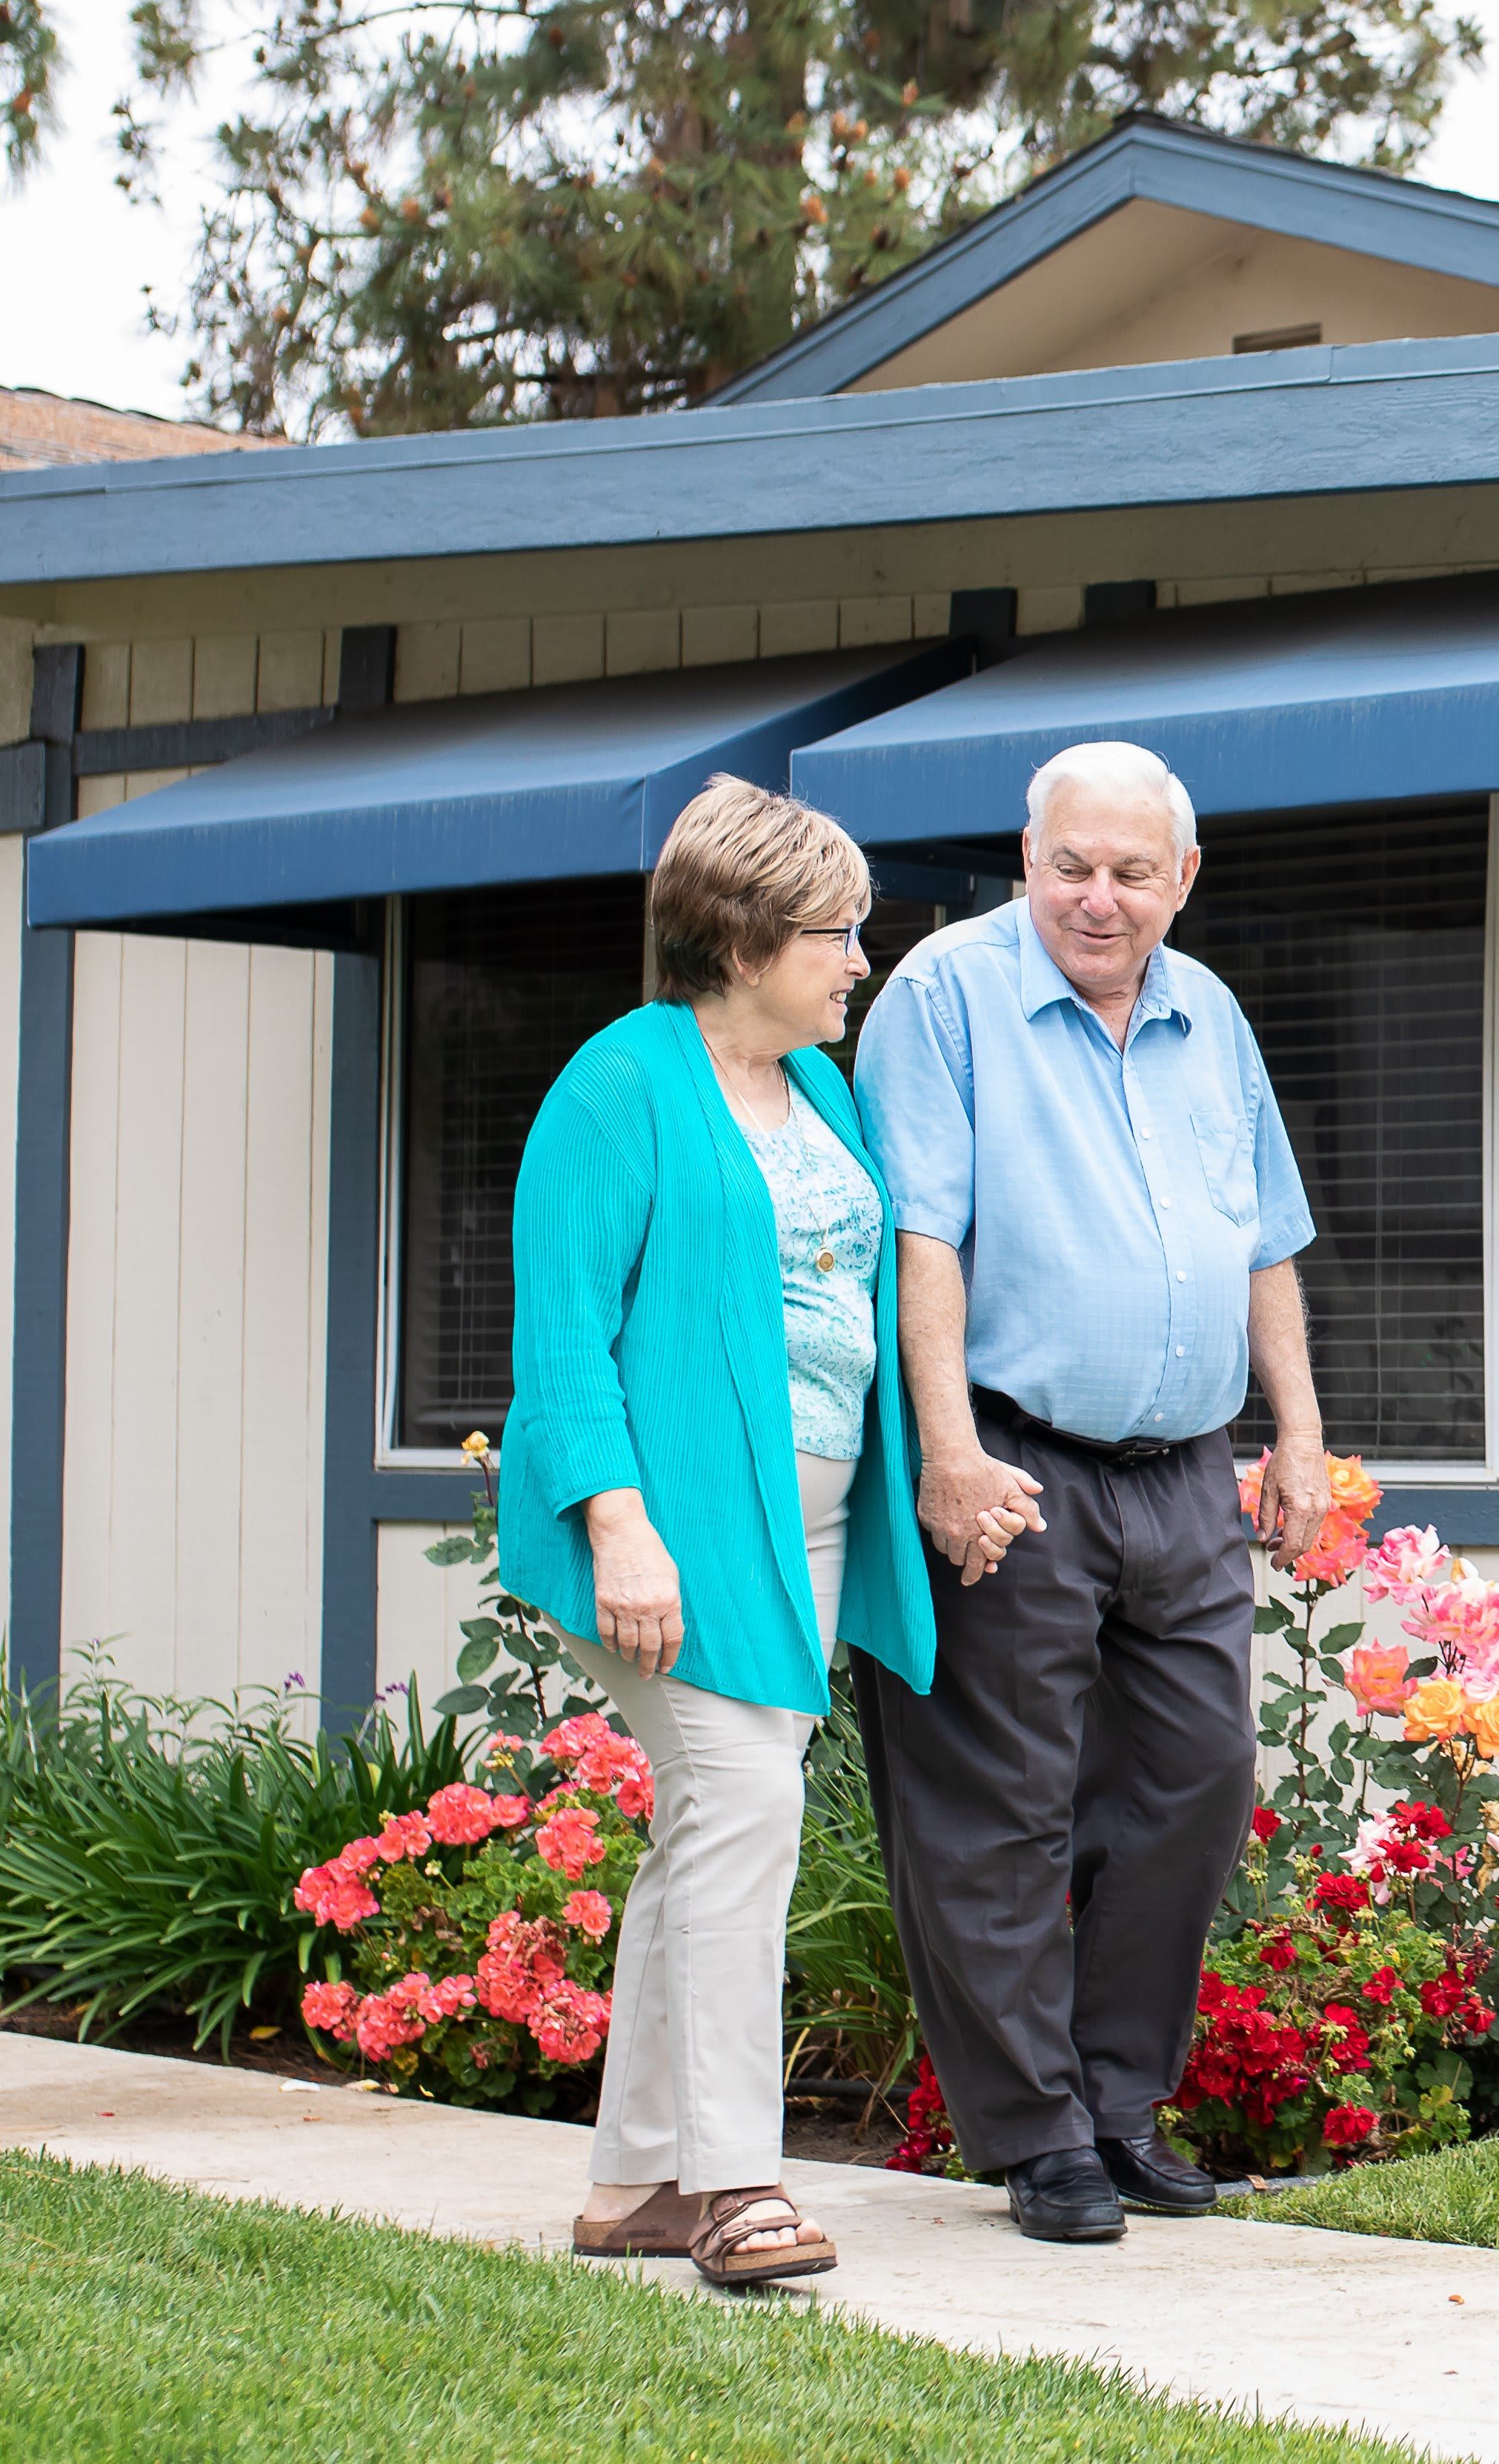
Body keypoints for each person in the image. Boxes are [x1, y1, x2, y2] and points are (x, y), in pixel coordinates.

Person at [850, 739, 1337, 2245]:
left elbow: (1262, 1237)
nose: (1101, 898)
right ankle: (1037, 2133)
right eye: (1074, 865)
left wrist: (1299, 1432)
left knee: (1193, 1785)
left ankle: (1121, 2107)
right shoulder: (944, 997)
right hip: (1014, 1452)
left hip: (1188, 1467)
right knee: (993, 1807)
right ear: (1027, 853)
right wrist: (943, 1450)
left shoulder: (1213, 1010)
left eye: (1134, 871)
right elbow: (917, 1240)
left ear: (1184, 877)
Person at [499, 776, 937, 2287]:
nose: (858, 960)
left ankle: (634, 2186)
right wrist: (621, 1530)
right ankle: (740, 2183)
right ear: (747, 941)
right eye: (837, 932)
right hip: (672, 1533)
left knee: (709, 1832)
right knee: (744, 1814)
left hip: (805, 1526)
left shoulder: (821, 1090)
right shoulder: (617, 1086)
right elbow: (562, 1340)